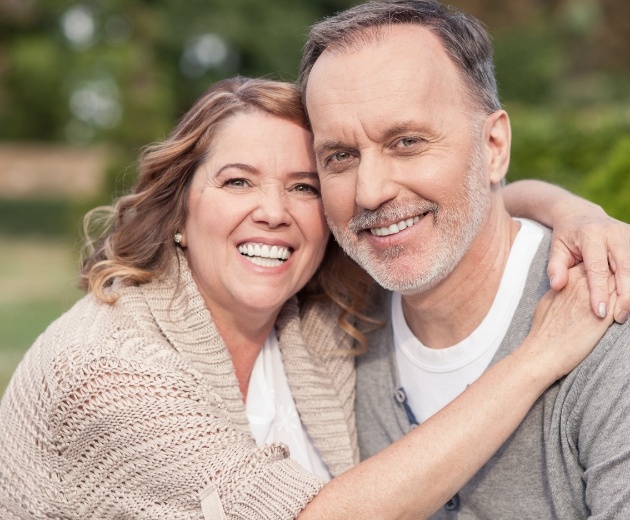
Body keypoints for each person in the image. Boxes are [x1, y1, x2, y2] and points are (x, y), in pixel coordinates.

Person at [0, 78, 620, 520]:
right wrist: (537, 358)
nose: (272, 212)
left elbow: (450, 210)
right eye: (237, 181)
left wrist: (580, 215)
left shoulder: (313, 318)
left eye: (302, 186)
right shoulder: (106, 371)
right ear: (180, 209)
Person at [299, 0, 630, 518]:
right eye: (340, 156)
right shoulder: (330, 331)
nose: (369, 192)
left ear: (494, 146)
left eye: (407, 142)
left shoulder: (609, 317)